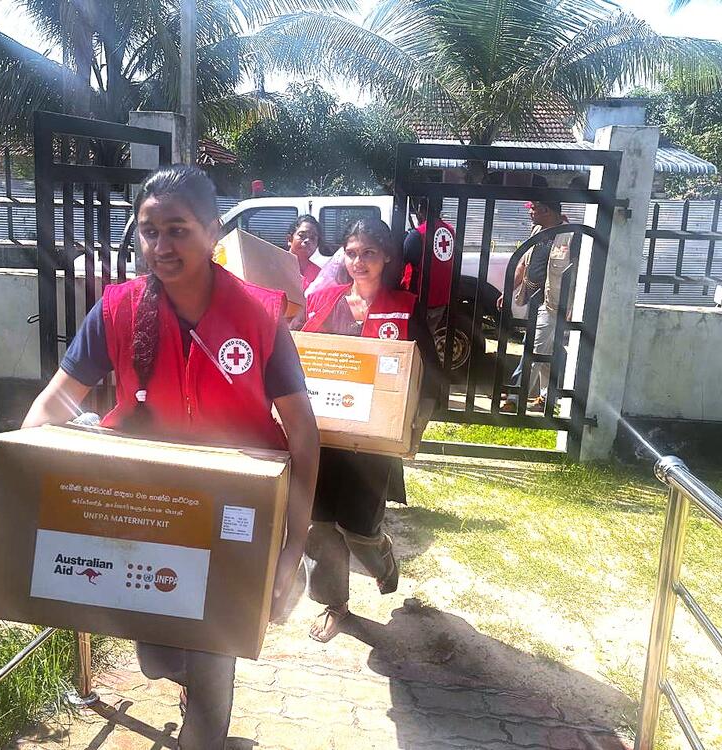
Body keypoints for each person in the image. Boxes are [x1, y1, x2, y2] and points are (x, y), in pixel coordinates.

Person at [22, 165, 320, 750]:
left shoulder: (261, 315)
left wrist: (292, 547)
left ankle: (206, 723)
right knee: (157, 658)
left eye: (178, 230)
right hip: (149, 520)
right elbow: (58, 398)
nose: (161, 246)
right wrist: (28, 454)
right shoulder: (117, 309)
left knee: (211, 686)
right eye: (149, 231)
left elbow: (304, 434)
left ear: (212, 233)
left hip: (236, 525)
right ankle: (188, 683)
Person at [293, 217, 438, 644]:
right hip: (324, 439)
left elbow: (428, 376)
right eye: (352, 253)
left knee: (359, 528)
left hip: (372, 447)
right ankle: (334, 604)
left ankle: (382, 559)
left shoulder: (404, 307)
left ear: (387, 256)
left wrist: (414, 427)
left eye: (369, 253)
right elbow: (299, 356)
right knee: (317, 526)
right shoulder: (323, 302)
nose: (358, 262)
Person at [499, 201, 572, 413]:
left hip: (554, 303)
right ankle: (548, 399)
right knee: (545, 351)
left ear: (546, 210)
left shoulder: (570, 236)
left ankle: (514, 398)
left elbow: (576, 275)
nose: (530, 213)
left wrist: (572, 306)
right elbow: (523, 265)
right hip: (535, 300)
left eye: (533, 209)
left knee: (533, 349)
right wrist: (507, 290)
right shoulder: (537, 231)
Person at [402, 198, 457, 336]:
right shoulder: (450, 232)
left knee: (414, 341)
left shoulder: (418, 234)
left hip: (420, 301)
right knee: (428, 338)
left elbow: (403, 260)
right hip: (441, 300)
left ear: (421, 210)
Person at [287, 214, 323, 291]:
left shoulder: (320, 276)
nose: (307, 241)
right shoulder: (274, 264)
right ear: (290, 239)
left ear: (317, 245)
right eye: (302, 235)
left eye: (313, 238)